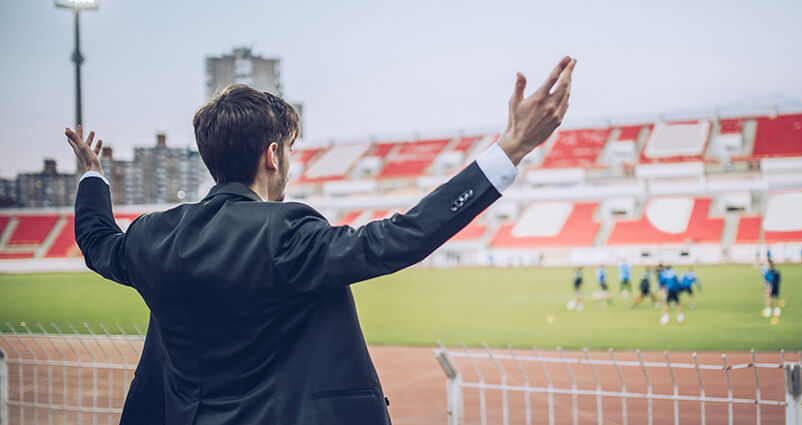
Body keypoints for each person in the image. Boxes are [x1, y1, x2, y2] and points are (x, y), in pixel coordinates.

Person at [67, 56, 577, 425]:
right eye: (290, 149)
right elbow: (401, 238)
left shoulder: (155, 237)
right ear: (273, 156)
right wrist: (510, 150)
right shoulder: (284, 234)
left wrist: (93, 177)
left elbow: (97, 242)